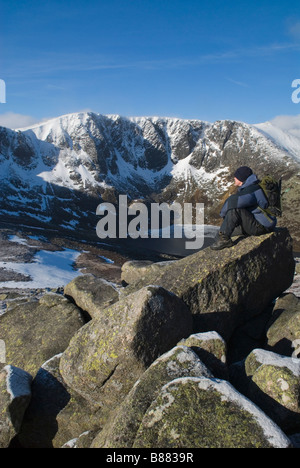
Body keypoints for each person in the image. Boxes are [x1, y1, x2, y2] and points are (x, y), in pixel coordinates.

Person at [210, 166, 277, 251]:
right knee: (219, 233)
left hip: (260, 226)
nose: (234, 178)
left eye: (236, 177)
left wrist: (223, 214)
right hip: (262, 223)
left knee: (235, 209)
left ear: (241, 179)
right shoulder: (254, 187)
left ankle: (225, 240)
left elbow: (233, 202)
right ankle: (223, 236)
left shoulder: (251, 190)